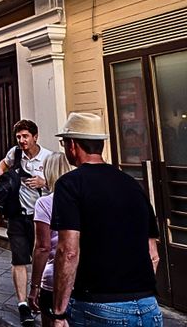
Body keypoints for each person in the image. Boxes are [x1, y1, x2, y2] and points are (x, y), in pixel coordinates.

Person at [50, 113, 162, 327]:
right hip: (148, 305)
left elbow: (68, 251)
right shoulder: (132, 184)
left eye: (64, 142)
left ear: (72, 145)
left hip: (98, 305)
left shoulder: (70, 184)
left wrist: (58, 312)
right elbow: (153, 255)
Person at [0, 119, 52, 326]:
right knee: (18, 259)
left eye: (25, 136)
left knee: (42, 257)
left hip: (41, 218)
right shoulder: (15, 153)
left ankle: (41, 297)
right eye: (19, 137)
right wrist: (0, 171)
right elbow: (4, 162)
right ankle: (22, 304)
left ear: (35, 136)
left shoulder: (49, 158)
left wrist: (45, 182)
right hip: (18, 215)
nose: (22, 140)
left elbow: (60, 183)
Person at [28, 153, 72, 327]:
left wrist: (34, 286)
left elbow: (42, 248)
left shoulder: (45, 203)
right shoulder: (82, 200)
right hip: (81, 276)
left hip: (54, 277)